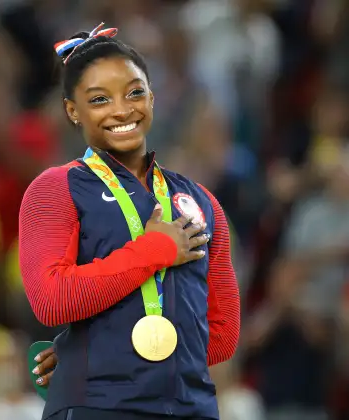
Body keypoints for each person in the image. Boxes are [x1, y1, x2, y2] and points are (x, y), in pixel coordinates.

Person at [19, 23, 240, 420]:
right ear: (73, 110)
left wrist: (107, 349)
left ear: (152, 97)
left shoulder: (202, 201)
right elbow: (50, 300)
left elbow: (222, 334)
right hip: (97, 407)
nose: (122, 110)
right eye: (100, 99)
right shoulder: (55, 188)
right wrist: (155, 250)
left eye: (135, 92)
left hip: (191, 408)